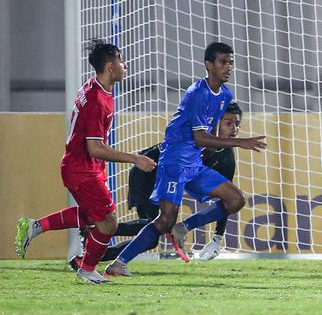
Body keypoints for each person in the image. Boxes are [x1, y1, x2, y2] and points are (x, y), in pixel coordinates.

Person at [104, 42, 266, 276]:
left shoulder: (225, 95)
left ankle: (184, 227)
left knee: (236, 199)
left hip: (194, 163)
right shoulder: (196, 94)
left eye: (231, 62)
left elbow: (208, 133)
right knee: (164, 220)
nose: (228, 67)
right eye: (223, 62)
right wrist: (240, 142)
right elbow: (200, 138)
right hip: (175, 162)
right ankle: (119, 263)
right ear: (208, 65)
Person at [14, 41, 157, 284]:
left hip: (84, 167)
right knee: (109, 223)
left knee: (94, 217)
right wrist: (135, 159)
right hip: (82, 169)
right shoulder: (96, 100)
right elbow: (95, 148)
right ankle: (87, 269)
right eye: (122, 61)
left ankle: (35, 226)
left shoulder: (97, 88)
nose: (126, 65)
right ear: (111, 67)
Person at [70, 102, 244, 269]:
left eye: (237, 124)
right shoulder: (192, 141)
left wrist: (217, 238)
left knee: (155, 231)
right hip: (146, 175)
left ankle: (93, 249)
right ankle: (98, 239)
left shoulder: (226, 157)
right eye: (228, 123)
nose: (234, 129)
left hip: (163, 178)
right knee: (156, 226)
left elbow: (227, 202)